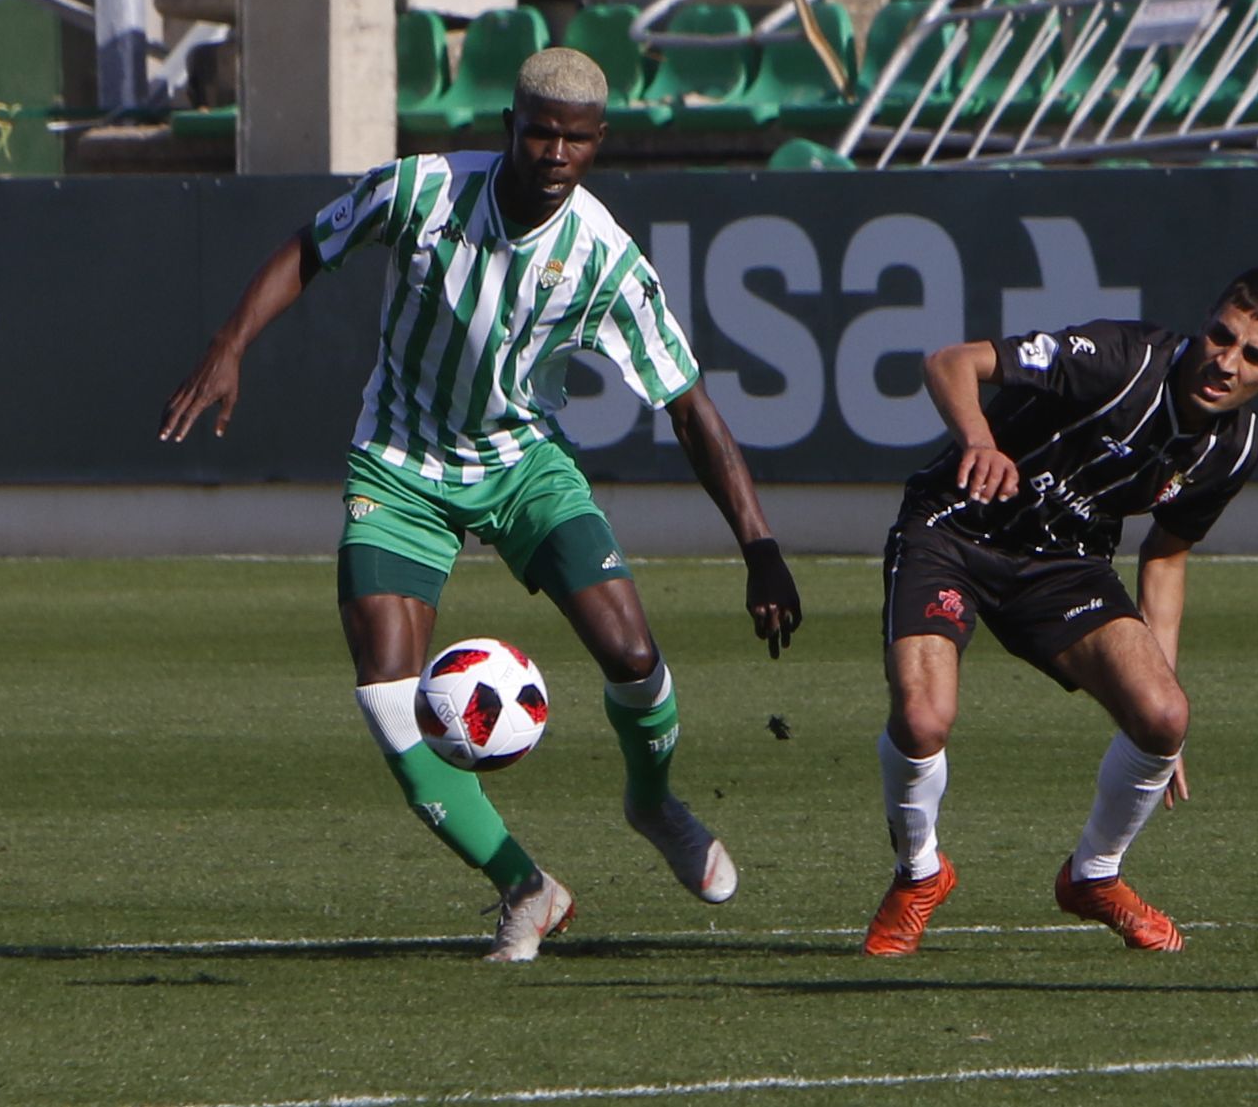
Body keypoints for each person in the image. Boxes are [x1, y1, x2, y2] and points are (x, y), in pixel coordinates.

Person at [159, 48, 802, 963]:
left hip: (523, 461)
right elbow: (313, 245)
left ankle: (653, 800)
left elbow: (689, 404)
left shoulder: (605, 259)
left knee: (633, 653)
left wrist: (761, 544)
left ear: (598, 144)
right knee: (388, 698)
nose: (555, 153)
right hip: (400, 466)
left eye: (576, 140)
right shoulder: (422, 192)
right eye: (540, 132)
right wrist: (231, 344)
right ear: (509, 125)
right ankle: (525, 886)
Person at [863, 268, 1258, 956]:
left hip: (1061, 564)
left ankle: (1092, 876)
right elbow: (949, 362)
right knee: (924, 718)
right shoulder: (1122, 359)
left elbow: (1165, 555)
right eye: (1222, 335)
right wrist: (980, 440)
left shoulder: (1234, 449)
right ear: (1207, 321)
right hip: (955, 528)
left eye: (1254, 355)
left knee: (1163, 716)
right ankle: (919, 871)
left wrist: (1159, 689)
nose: (1226, 361)